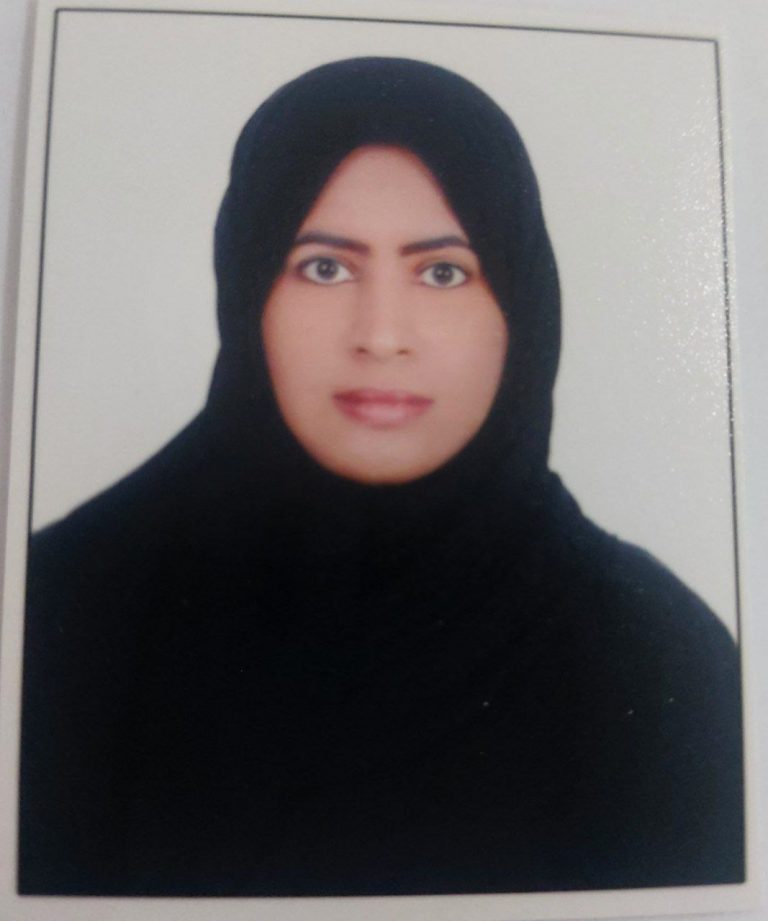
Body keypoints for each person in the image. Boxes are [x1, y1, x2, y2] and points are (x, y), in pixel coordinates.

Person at [18, 57, 743, 897]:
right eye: (325, 266)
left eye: (443, 271)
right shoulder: (56, 614)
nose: (382, 335)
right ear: (247, 291)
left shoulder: (658, 661)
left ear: (522, 307)